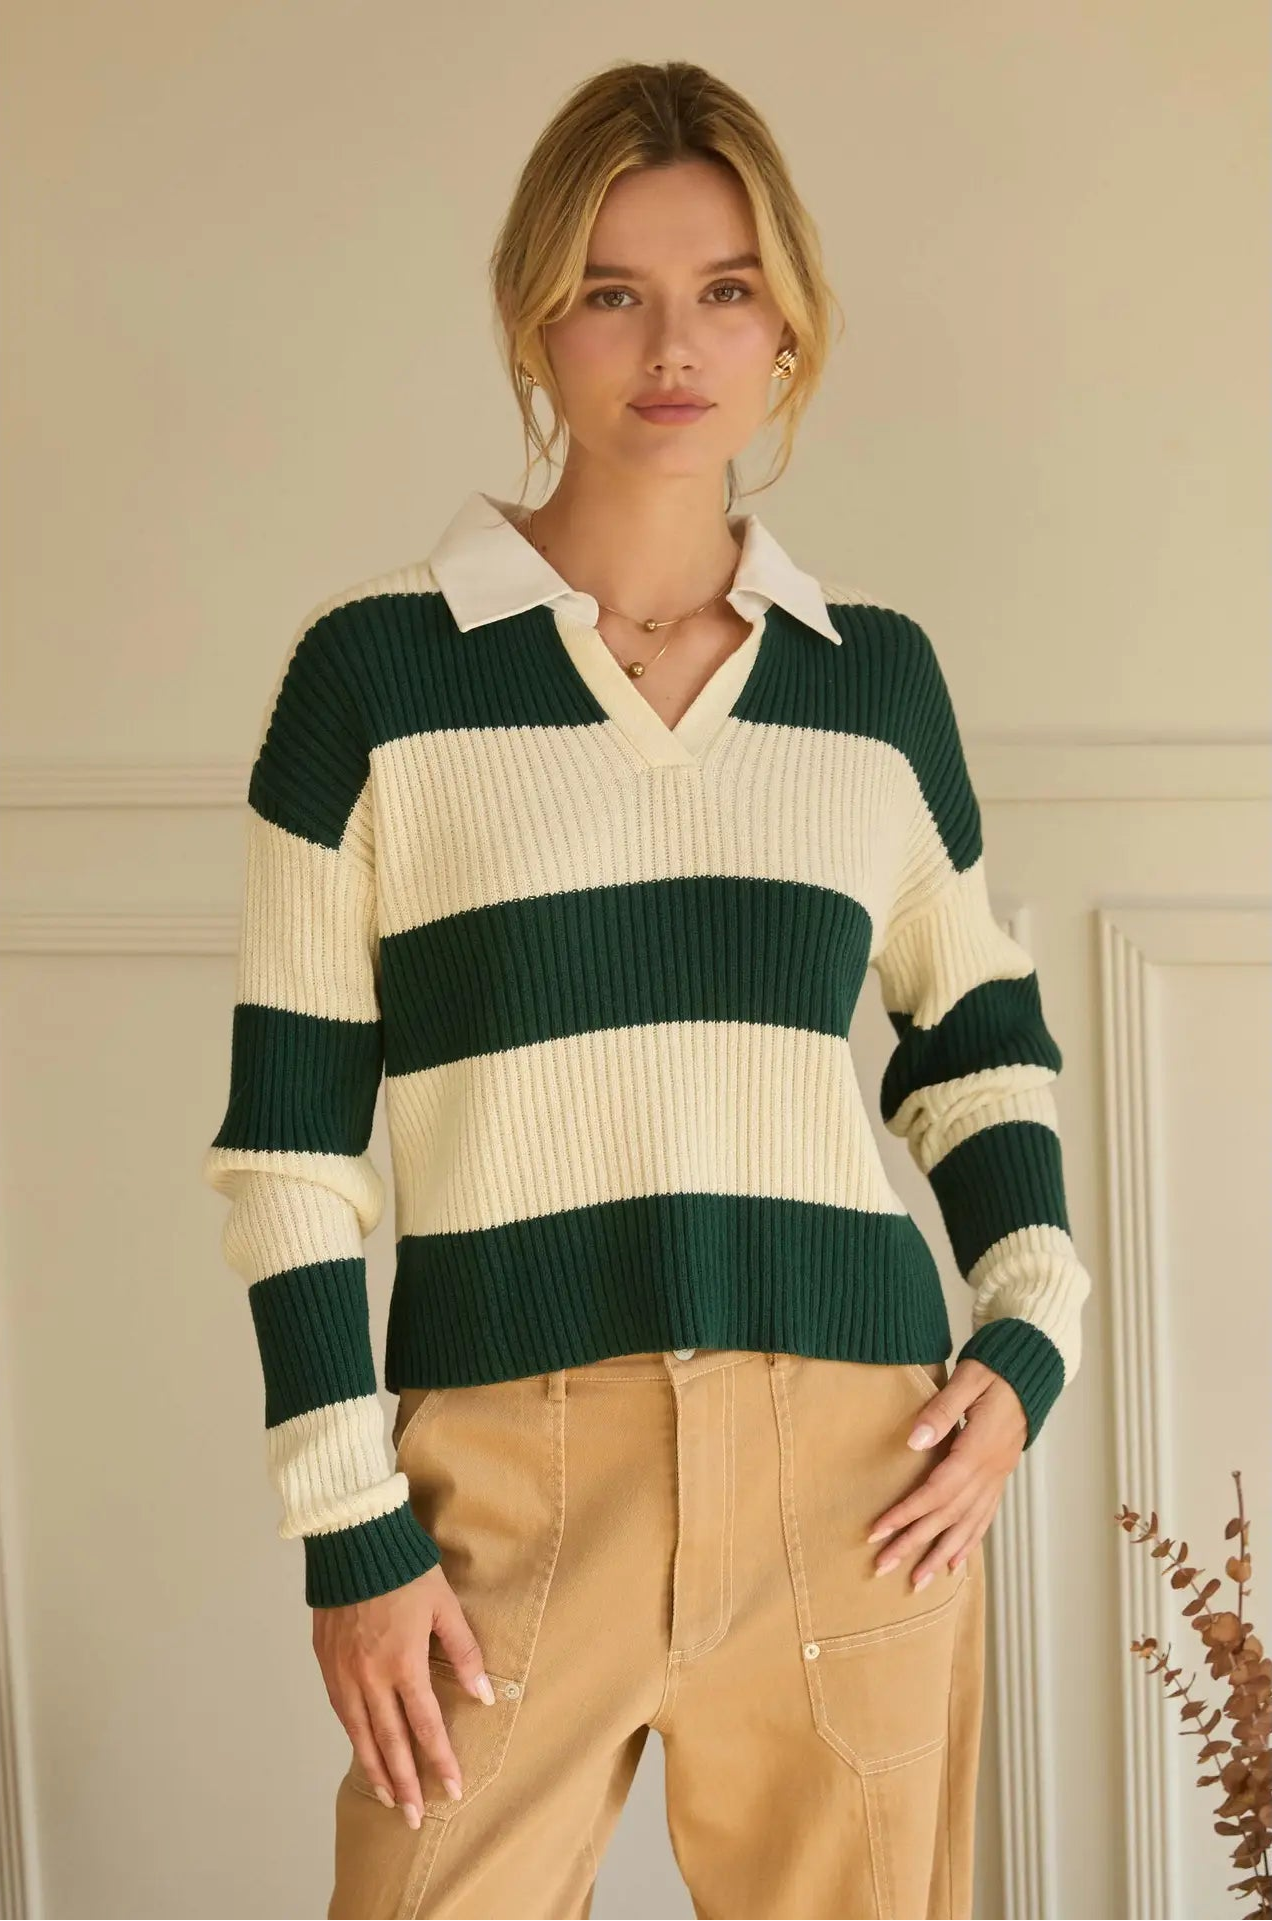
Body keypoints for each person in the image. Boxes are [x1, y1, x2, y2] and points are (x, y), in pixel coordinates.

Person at [201, 57, 1092, 1921]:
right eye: (612, 291)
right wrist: (348, 1525)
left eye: (725, 289)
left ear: (789, 328)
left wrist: (1025, 1346)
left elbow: (980, 1046)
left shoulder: (874, 683)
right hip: (505, 1483)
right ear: (537, 319)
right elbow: (288, 1152)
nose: (673, 346)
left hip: (855, 1475)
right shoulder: (372, 677)